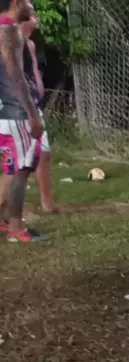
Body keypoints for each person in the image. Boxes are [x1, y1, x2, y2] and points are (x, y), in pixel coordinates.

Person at [0, 0, 45, 242]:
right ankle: (17, 229)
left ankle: (4, 221)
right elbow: (14, 73)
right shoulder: (9, 31)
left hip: (6, 111)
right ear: (16, 2)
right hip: (17, 113)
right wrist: (31, 113)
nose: (31, 5)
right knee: (21, 170)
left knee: (11, 168)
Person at [21, 8, 55, 213]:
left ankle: (47, 203)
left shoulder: (30, 45)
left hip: (34, 104)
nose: (37, 19)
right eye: (33, 15)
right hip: (18, 107)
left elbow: (33, 74)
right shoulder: (10, 41)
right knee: (19, 163)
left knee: (43, 153)